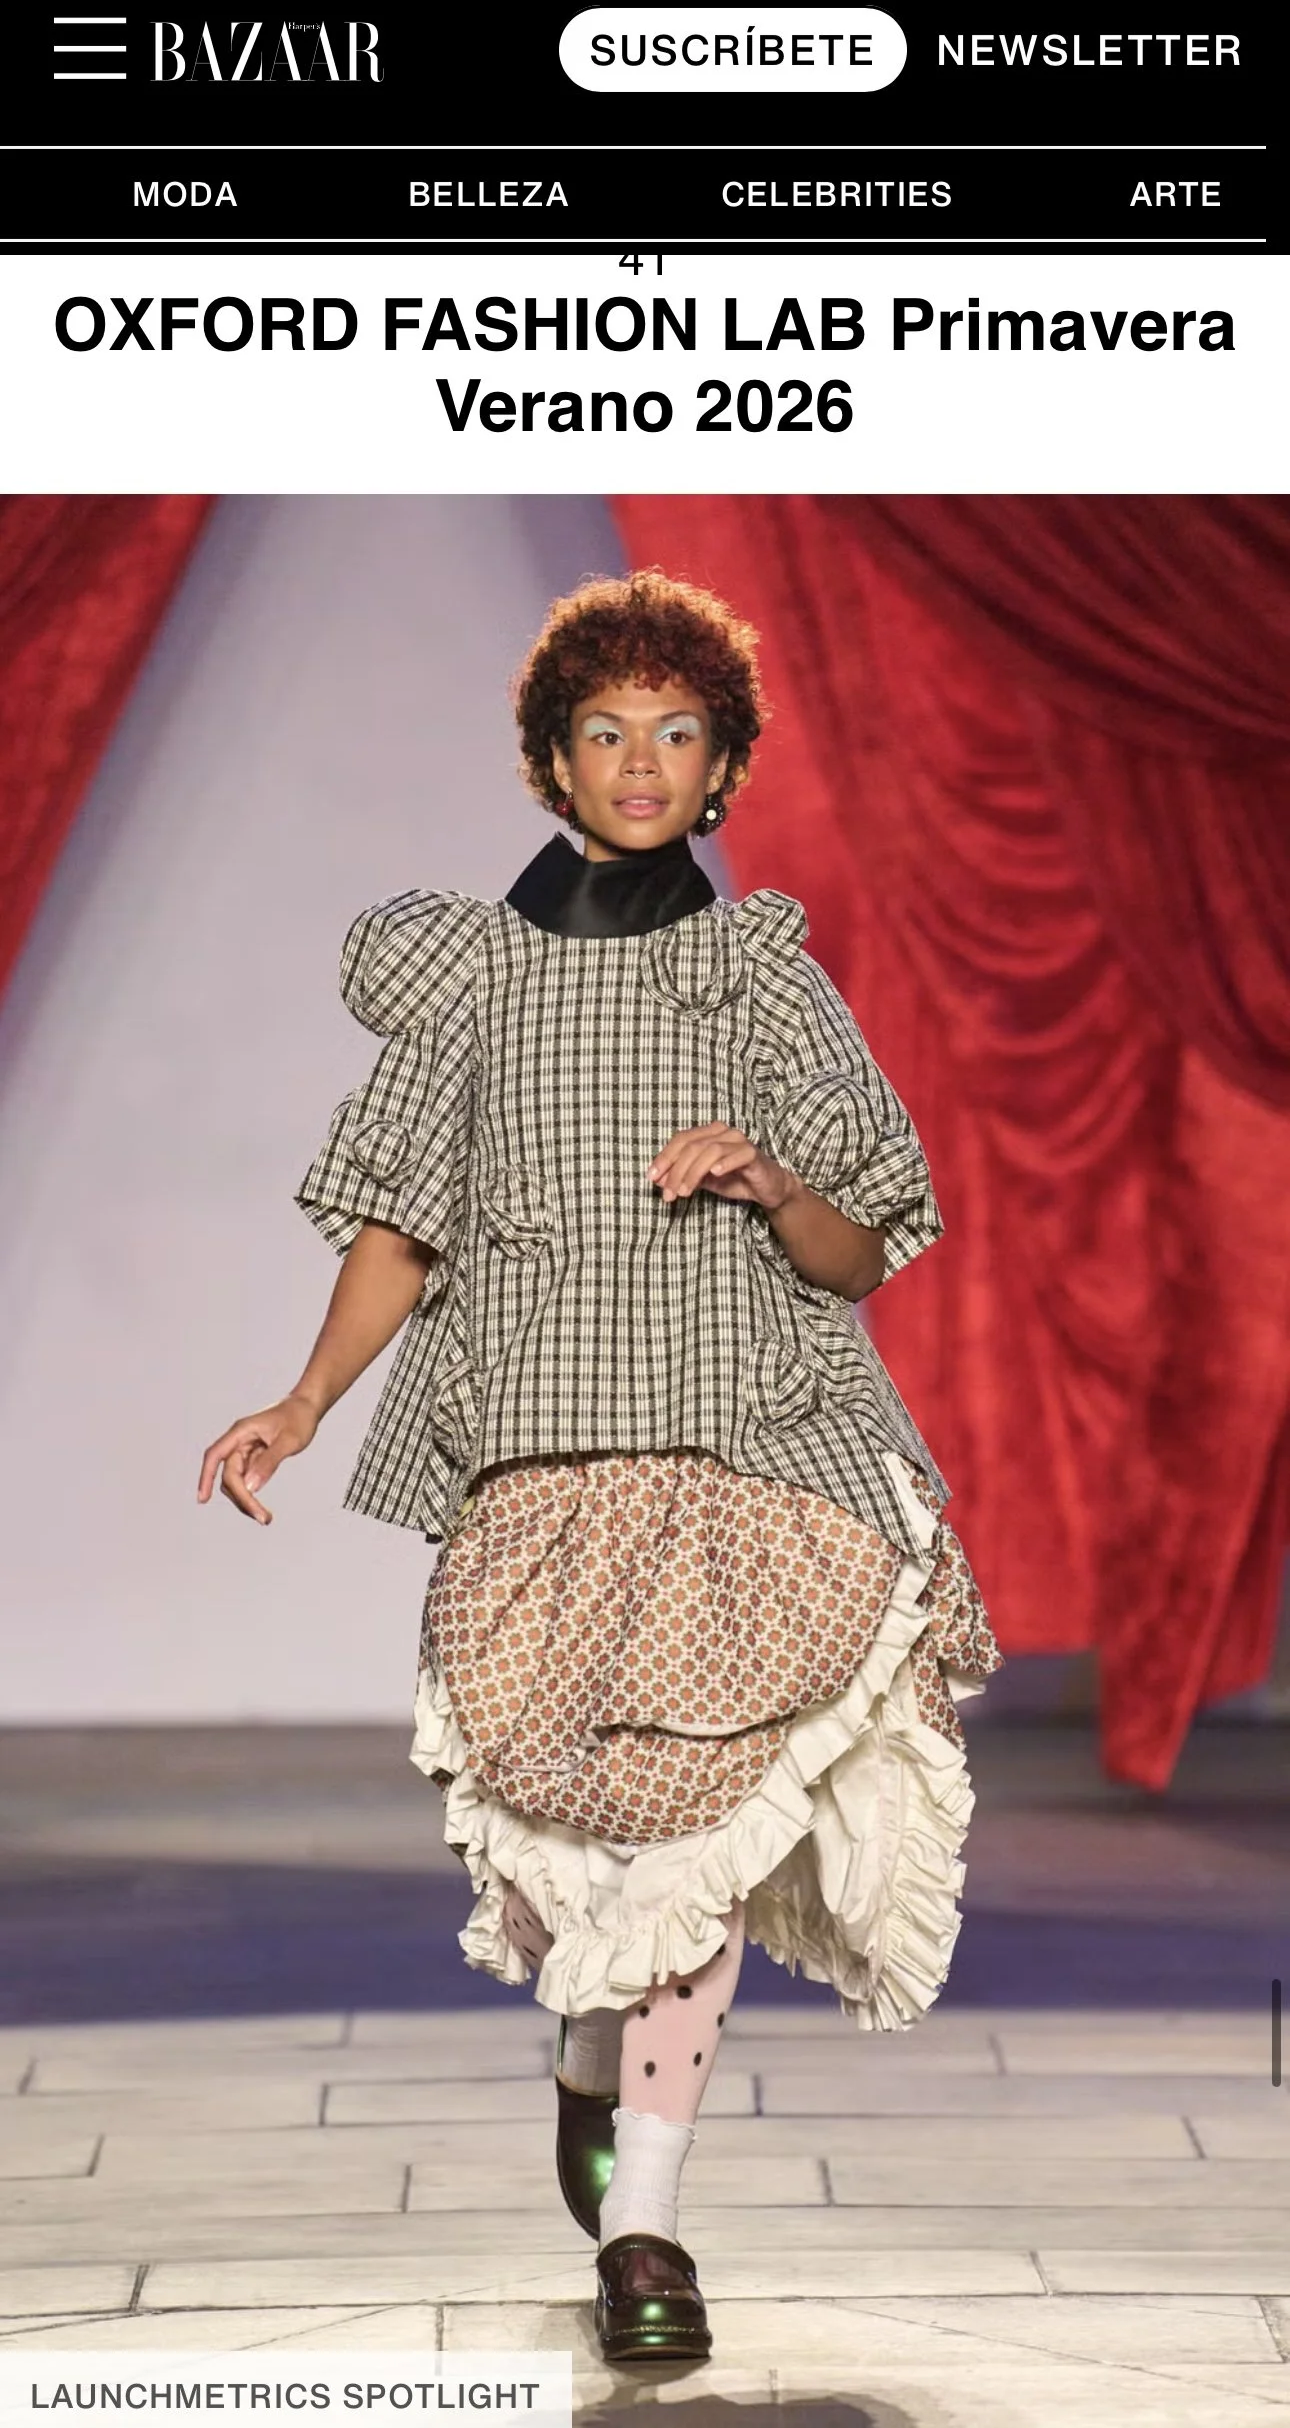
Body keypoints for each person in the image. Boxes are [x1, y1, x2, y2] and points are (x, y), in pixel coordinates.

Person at [198, 567, 1003, 2367]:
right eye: (606, 731)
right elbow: (402, 1226)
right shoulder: (475, 984)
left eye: (678, 733)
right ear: (550, 760)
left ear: (722, 767)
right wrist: (302, 1402)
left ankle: (644, 2224)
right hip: (544, 1461)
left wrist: (767, 1178)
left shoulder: (760, 981)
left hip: (753, 1446)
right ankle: (589, 2051)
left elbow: (858, 1249)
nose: (641, 762)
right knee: (587, 1845)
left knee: (705, 1845)